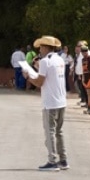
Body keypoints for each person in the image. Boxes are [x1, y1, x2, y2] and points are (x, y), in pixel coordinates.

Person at [20, 35, 69, 170]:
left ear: (46, 47)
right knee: (59, 131)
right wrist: (37, 66)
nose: (40, 49)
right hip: (61, 100)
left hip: (50, 101)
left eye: (41, 47)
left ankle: (52, 161)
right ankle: (63, 160)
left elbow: (40, 82)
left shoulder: (45, 62)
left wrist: (28, 77)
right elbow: (49, 76)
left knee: (50, 132)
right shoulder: (59, 59)